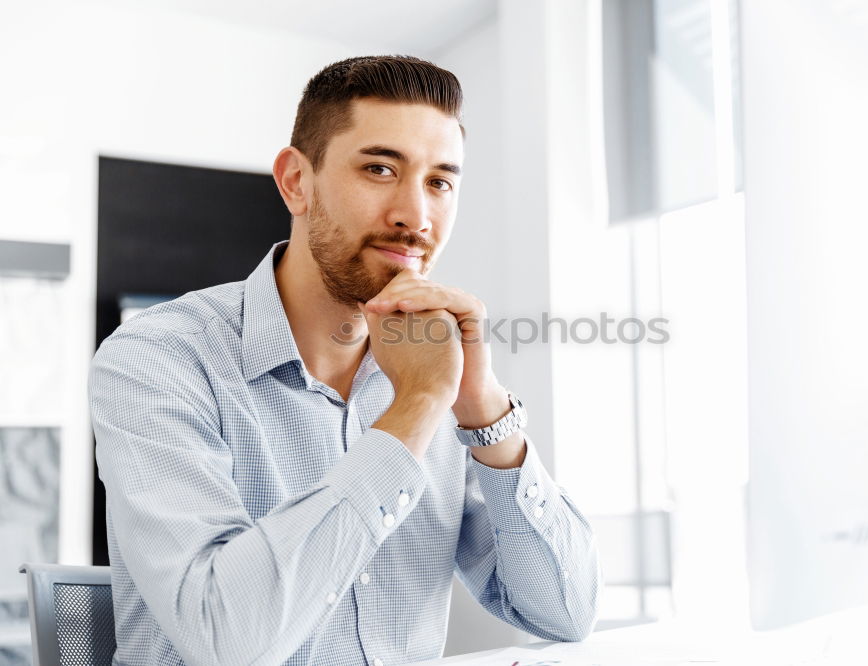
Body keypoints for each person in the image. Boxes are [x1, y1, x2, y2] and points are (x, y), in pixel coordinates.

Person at [90, 55, 600, 666]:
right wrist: (412, 411)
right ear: (296, 182)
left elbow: (565, 613)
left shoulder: (437, 378)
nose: (416, 216)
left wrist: (484, 409)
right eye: (380, 168)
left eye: (440, 182)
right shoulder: (159, 357)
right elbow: (225, 639)